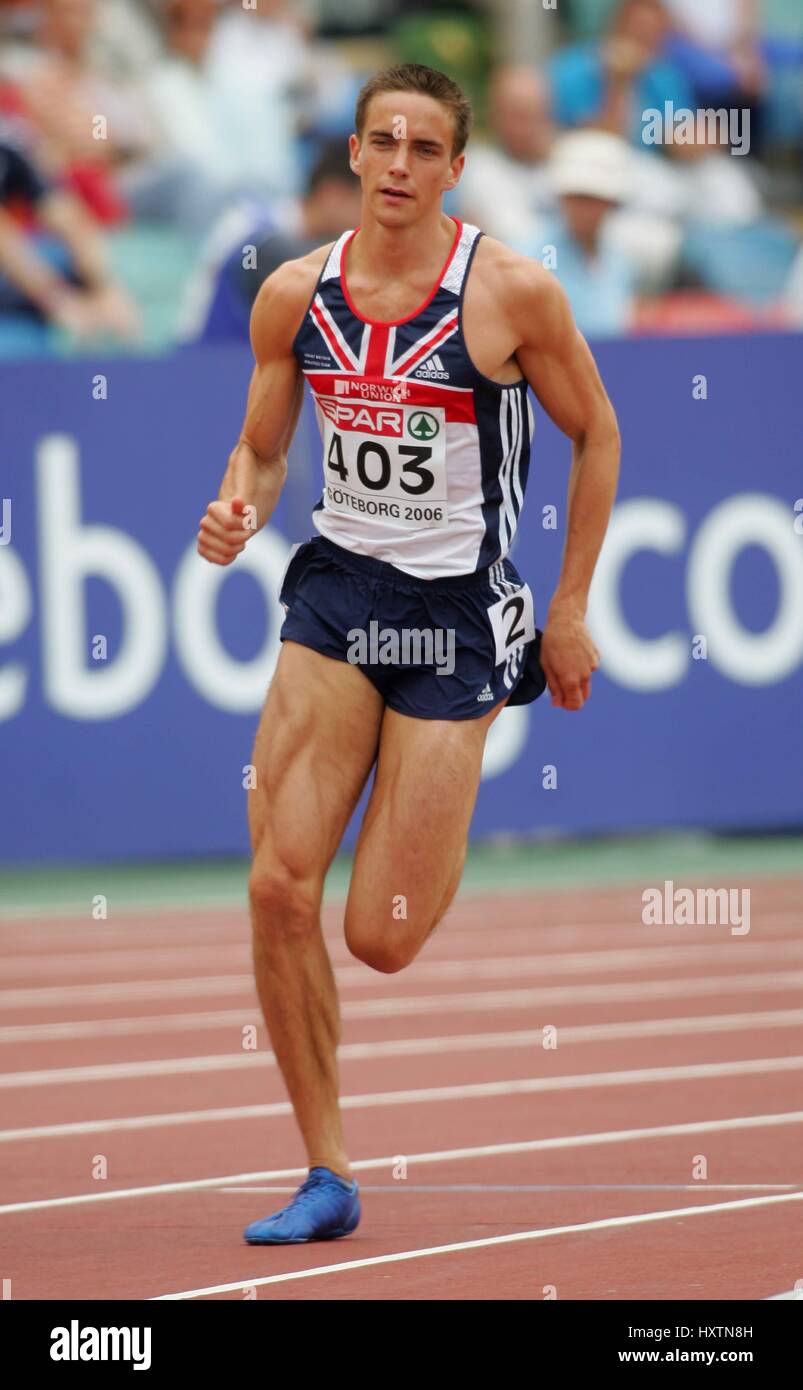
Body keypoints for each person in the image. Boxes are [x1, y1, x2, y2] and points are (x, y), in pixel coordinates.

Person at [197, 62, 620, 1244]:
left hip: (455, 616)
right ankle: (326, 1169)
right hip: (336, 591)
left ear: (453, 167)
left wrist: (569, 607)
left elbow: (598, 439)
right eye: (378, 139)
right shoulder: (293, 295)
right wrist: (236, 503)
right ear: (350, 153)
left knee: (378, 934)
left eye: (420, 146)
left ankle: (462, 729)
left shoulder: (511, 294)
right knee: (280, 886)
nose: (395, 162)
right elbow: (263, 448)